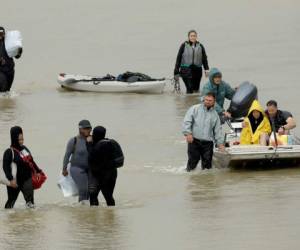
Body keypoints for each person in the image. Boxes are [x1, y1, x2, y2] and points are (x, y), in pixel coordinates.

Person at [182, 92, 225, 171]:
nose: (208, 101)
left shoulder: (215, 115)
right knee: (192, 164)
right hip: (194, 141)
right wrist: (188, 133)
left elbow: (218, 131)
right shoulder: (195, 109)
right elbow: (187, 121)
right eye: (206, 100)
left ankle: (207, 183)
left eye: (210, 100)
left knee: (207, 168)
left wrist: (220, 144)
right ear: (203, 99)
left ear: (214, 101)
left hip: (208, 144)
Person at [2, 126, 41, 209]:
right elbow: (5, 167)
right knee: (11, 202)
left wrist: (38, 171)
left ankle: (29, 221)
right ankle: (9, 220)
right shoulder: (9, 152)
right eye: (19, 139)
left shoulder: (24, 149)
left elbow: (31, 161)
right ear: (14, 138)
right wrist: (11, 180)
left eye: (22, 139)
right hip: (14, 182)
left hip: (27, 180)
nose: (21, 141)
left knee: (30, 204)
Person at [87, 126, 118, 206]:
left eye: (93, 133)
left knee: (93, 196)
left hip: (102, 175)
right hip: (113, 173)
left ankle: (93, 216)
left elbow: (91, 156)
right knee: (109, 196)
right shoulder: (109, 143)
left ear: (95, 134)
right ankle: (111, 216)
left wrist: (89, 143)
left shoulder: (99, 145)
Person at [62, 120, 92, 203]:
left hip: (90, 169)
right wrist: (64, 169)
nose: (88, 130)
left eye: (89, 128)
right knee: (83, 190)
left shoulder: (92, 140)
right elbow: (67, 155)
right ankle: (82, 211)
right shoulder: (73, 141)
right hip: (77, 168)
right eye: (85, 128)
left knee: (90, 191)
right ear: (80, 129)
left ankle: (87, 212)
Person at [0, 27, 22, 92]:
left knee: (7, 91)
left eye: (1, 33)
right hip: (1, 71)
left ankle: (6, 102)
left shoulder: (9, 43)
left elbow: (17, 56)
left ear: (4, 34)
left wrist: (19, 52)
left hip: (10, 71)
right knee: (2, 87)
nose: (0, 35)